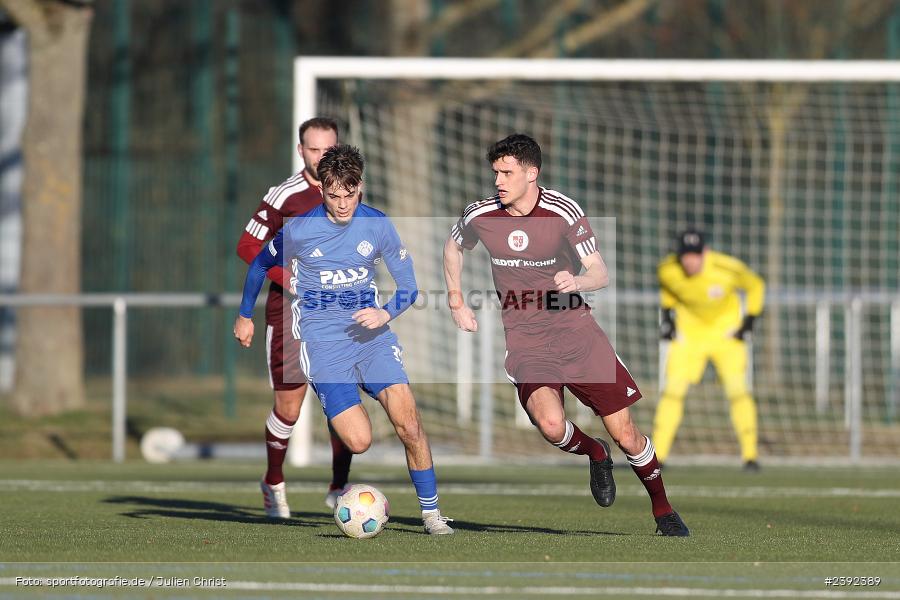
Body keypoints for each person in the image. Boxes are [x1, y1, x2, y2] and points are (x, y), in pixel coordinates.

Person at [443, 133, 688, 536]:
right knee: (552, 425)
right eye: (496, 173)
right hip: (527, 340)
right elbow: (453, 248)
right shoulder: (480, 214)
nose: (498, 181)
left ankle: (663, 510)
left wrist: (577, 281)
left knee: (626, 434)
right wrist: (456, 300)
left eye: (507, 173)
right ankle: (595, 452)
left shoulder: (562, 210)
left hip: (577, 334)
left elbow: (600, 273)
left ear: (532, 173)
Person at [235, 144, 454, 535]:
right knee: (359, 441)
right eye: (334, 195)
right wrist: (245, 315)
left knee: (409, 424)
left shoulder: (377, 224)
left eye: (349, 195)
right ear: (321, 189)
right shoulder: (300, 229)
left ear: (360, 187)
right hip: (323, 345)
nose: (342, 204)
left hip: (372, 339)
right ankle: (342, 401)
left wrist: (385, 313)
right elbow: (259, 264)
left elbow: (409, 287)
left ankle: (432, 515)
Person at [235, 117, 353, 518]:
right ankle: (273, 481)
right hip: (289, 314)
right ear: (300, 151)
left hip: (336, 313)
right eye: (313, 149)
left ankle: (339, 487)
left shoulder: (348, 190)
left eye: (328, 149)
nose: (321, 157)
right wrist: (289, 279)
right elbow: (248, 246)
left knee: (342, 401)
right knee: (289, 408)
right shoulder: (285, 195)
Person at [653, 228, 765, 471]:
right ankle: (658, 456)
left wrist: (749, 321)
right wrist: (668, 318)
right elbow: (668, 289)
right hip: (689, 336)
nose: (690, 261)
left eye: (695, 255)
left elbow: (756, 285)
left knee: (738, 391)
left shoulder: (728, 268)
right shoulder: (667, 269)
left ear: (705, 252)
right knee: (672, 392)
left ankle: (750, 456)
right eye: (685, 255)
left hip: (725, 335)